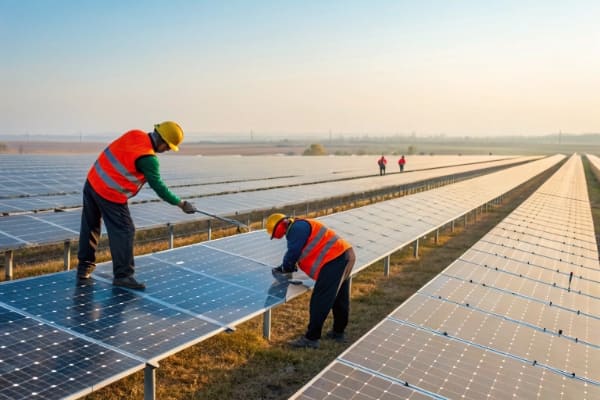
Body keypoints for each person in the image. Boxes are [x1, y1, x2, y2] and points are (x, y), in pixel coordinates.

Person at [76, 121, 196, 290]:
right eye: (168, 147)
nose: (167, 150)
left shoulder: (134, 134)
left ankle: (84, 268)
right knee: (125, 230)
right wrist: (181, 204)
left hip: (93, 181)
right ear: (162, 141)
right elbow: (159, 187)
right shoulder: (148, 159)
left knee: (90, 225)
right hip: (110, 193)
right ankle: (123, 276)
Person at [266, 213, 356, 349]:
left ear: (279, 227)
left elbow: (293, 252)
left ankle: (311, 339)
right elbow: (301, 250)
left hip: (334, 260)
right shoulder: (301, 225)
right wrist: (287, 265)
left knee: (320, 300)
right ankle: (338, 333)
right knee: (340, 298)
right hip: (345, 255)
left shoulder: (296, 228)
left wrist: (285, 267)